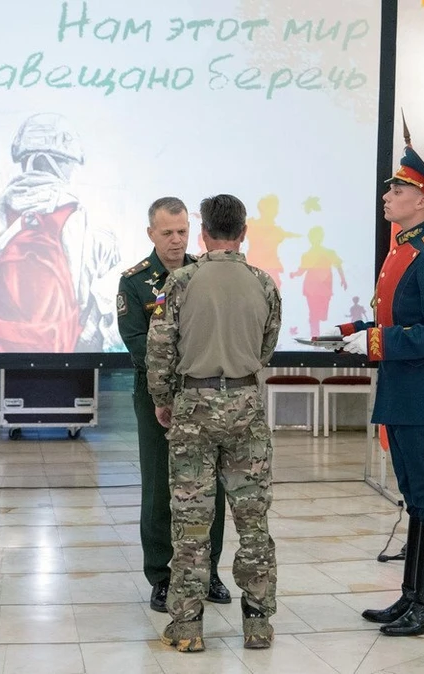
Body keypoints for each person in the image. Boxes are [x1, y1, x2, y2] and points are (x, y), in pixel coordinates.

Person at [338, 142, 424, 637]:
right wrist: (356, 331)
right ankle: (411, 596)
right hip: (404, 388)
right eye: (391, 187)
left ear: (422, 201)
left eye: (398, 188)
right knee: (415, 497)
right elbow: (397, 319)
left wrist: (375, 339)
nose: (387, 194)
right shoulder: (403, 250)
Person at [146, 194, 281, 652]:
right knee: (253, 521)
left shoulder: (179, 282)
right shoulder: (264, 283)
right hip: (245, 404)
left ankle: (187, 629)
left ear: (202, 233)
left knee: (190, 523)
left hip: (193, 407)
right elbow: (266, 348)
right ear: (244, 232)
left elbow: (160, 351)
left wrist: (164, 399)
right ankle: (258, 625)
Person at [116, 197, 230, 614]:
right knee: (161, 486)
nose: (176, 240)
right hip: (157, 397)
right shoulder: (135, 281)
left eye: (182, 231)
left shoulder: (205, 273)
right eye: (167, 233)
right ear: (151, 234)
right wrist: (188, 362)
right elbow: (137, 344)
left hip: (207, 397)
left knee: (210, 485)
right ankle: (161, 577)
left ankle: (210, 571)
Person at [0, 113, 122, 352]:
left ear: (23, 160)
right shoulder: (96, 229)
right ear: (64, 163)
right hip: (75, 370)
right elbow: (112, 318)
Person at [290, 225, 348, 337]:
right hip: (311, 287)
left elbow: (338, 265)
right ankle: (315, 336)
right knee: (313, 314)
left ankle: (320, 335)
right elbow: (302, 270)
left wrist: (343, 279)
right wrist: (294, 274)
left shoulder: (329, 252)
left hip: (325, 287)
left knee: (321, 314)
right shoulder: (307, 254)